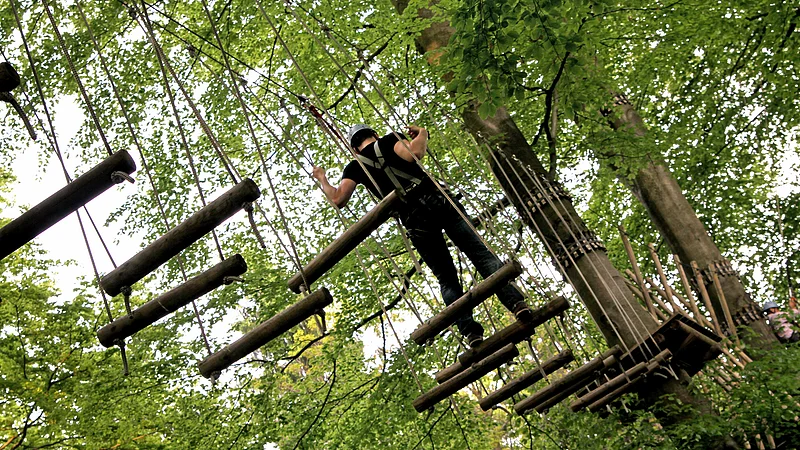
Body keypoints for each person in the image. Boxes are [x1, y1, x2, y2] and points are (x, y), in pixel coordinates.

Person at [312, 124, 531, 347]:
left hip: (415, 221)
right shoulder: (389, 140)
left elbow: (338, 199)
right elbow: (415, 153)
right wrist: (423, 133)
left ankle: (470, 331)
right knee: (480, 255)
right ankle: (517, 304)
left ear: (355, 149)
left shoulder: (355, 167)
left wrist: (322, 178)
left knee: (447, 278)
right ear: (374, 135)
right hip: (440, 201)